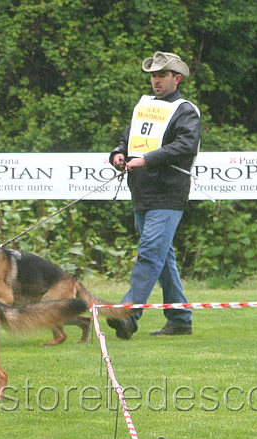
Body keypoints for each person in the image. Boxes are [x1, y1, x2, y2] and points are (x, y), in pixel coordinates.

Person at [106, 51, 201, 339]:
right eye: (153, 75)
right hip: (141, 192)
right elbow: (128, 139)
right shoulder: (144, 106)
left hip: (168, 193)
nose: (155, 80)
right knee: (163, 257)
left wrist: (147, 159)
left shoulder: (185, 110)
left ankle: (128, 314)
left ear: (177, 78)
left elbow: (186, 145)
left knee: (150, 254)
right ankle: (180, 318)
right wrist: (118, 154)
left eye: (162, 75)